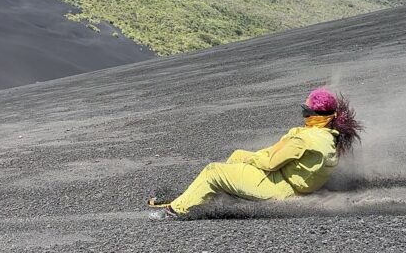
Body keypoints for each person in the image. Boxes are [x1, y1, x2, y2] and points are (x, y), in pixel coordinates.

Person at [149, 87, 361, 220]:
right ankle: (207, 196)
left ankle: (175, 211)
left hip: (278, 187)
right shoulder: (329, 136)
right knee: (237, 155)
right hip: (289, 183)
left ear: (312, 114)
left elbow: (270, 163)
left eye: (305, 110)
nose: (303, 114)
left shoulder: (304, 139)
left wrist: (251, 158)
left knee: (213, 171)